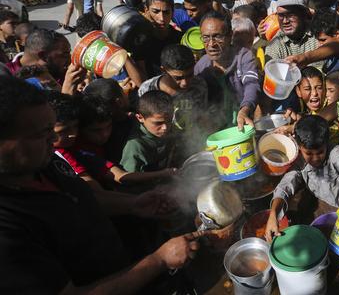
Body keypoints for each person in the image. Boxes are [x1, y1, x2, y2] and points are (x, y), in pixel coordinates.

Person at [0, 76, 203, 294]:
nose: (53, 139)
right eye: (41, 133)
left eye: (52, 129)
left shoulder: (45, 161)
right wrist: (159, 260)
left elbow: (84, 195)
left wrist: (133, 204)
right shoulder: (7, 226)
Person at [265, 115, 339, 241]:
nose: (315, 158)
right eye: (309, 153)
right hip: (318, 202)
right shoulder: (299, 160)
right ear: (299, 147)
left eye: (320, 152)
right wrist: (273, 214)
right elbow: (286, 184)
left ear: (326, 144)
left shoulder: (334, 151)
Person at [139, 44, 210, 156]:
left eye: (190, 75)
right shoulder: (147, 90)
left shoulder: (199, 86)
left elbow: (202, 118)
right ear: (163, 70)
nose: (185, 83)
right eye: (178, 78)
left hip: (192, 146)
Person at [195, 11, 259, 129]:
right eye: (205, 37)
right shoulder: (201, 66)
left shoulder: (244, 56)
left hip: (243, 124)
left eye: (217, 36)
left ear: (230, 36)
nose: (211, 44)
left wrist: (245, 109)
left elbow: (252, 84)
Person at [121, 90, 175, 173]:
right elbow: (130, 179)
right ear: (140, 118)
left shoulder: (169, 129)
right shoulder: (135, 146)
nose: (165, 127)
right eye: (158, 123)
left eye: (169, 121)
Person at [83, 78, 134, 163]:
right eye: (123, 92)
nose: (104, 134)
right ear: (119, 102)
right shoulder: (134, 125)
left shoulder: (87, 127)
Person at [264, 0, 320, 67]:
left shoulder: (318, 34)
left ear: (303, 15)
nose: (285, 21)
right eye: (281, 15)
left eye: (290, 15)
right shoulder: (274, 45)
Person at [139, 0, 182, 77]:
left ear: (172, 12)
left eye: (166, 12)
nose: (162, 18)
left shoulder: (180, 39)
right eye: (156, 11)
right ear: (146, 10)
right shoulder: (141, 41)